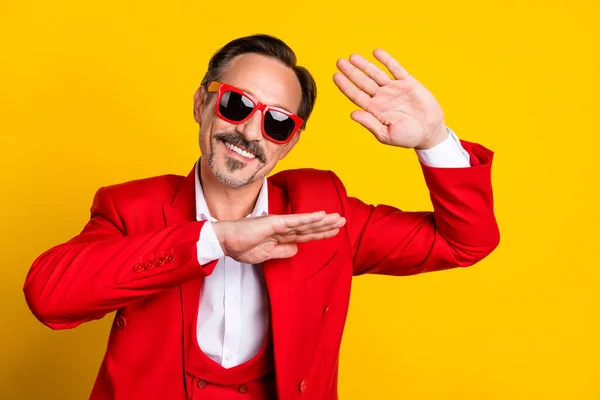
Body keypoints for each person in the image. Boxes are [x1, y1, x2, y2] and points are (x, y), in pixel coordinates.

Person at [23, 34, 500, 400]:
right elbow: (48, 297)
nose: (250, 131)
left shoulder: (323, 211)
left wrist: (433, 139)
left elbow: (465, 243)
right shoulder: (132, 207)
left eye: (276, 122)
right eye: (236, 104)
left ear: (289, 142)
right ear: (201, 104)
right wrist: (215, 241)